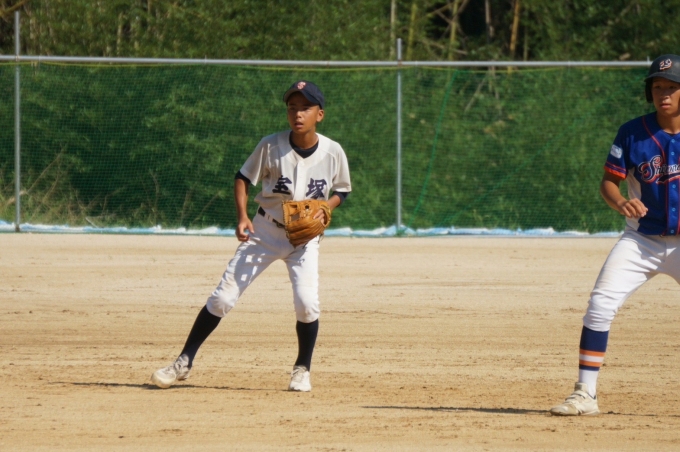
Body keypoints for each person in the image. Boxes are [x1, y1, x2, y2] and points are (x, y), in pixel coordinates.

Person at [150, 80, 351, 392]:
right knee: (222, 298)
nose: (298, 114)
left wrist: (327, 205)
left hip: (304, 240)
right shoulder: (270, 145)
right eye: (292, 107)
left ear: (320, 114)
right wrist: (243, 216)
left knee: (307, 304)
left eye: (305, 108)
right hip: (265, 230)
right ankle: (184, 361)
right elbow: (243, 178)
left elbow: (342, 190)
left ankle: (302, 368)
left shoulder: (332, 151)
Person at [550, 54, 680, 416]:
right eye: (657, 86)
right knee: (600, 305)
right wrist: (621, 202)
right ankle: (585, 394)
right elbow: (609, 182)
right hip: (642, 241)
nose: (663, 93)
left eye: (672, 87)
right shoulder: (633, 132)